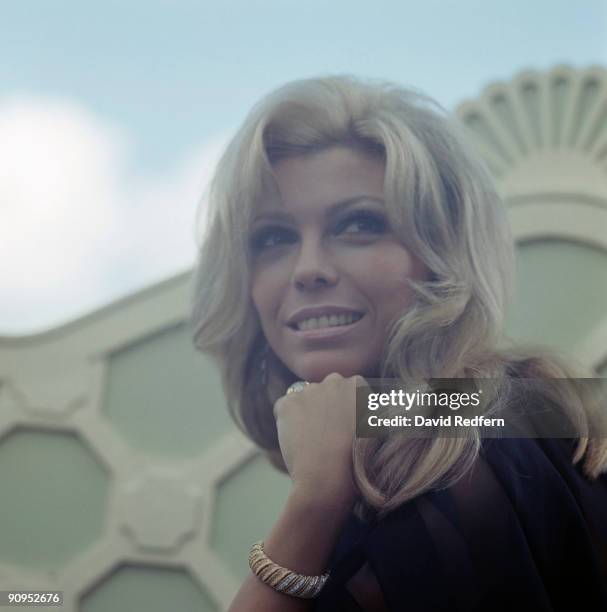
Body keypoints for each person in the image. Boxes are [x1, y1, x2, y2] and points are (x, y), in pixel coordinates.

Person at [191, 75, 607, 611]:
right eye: (273, 237)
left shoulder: (484, 441)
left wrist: (313, 506)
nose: (309, 269)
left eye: (359, 225)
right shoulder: (409, 430)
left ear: (440, 255)